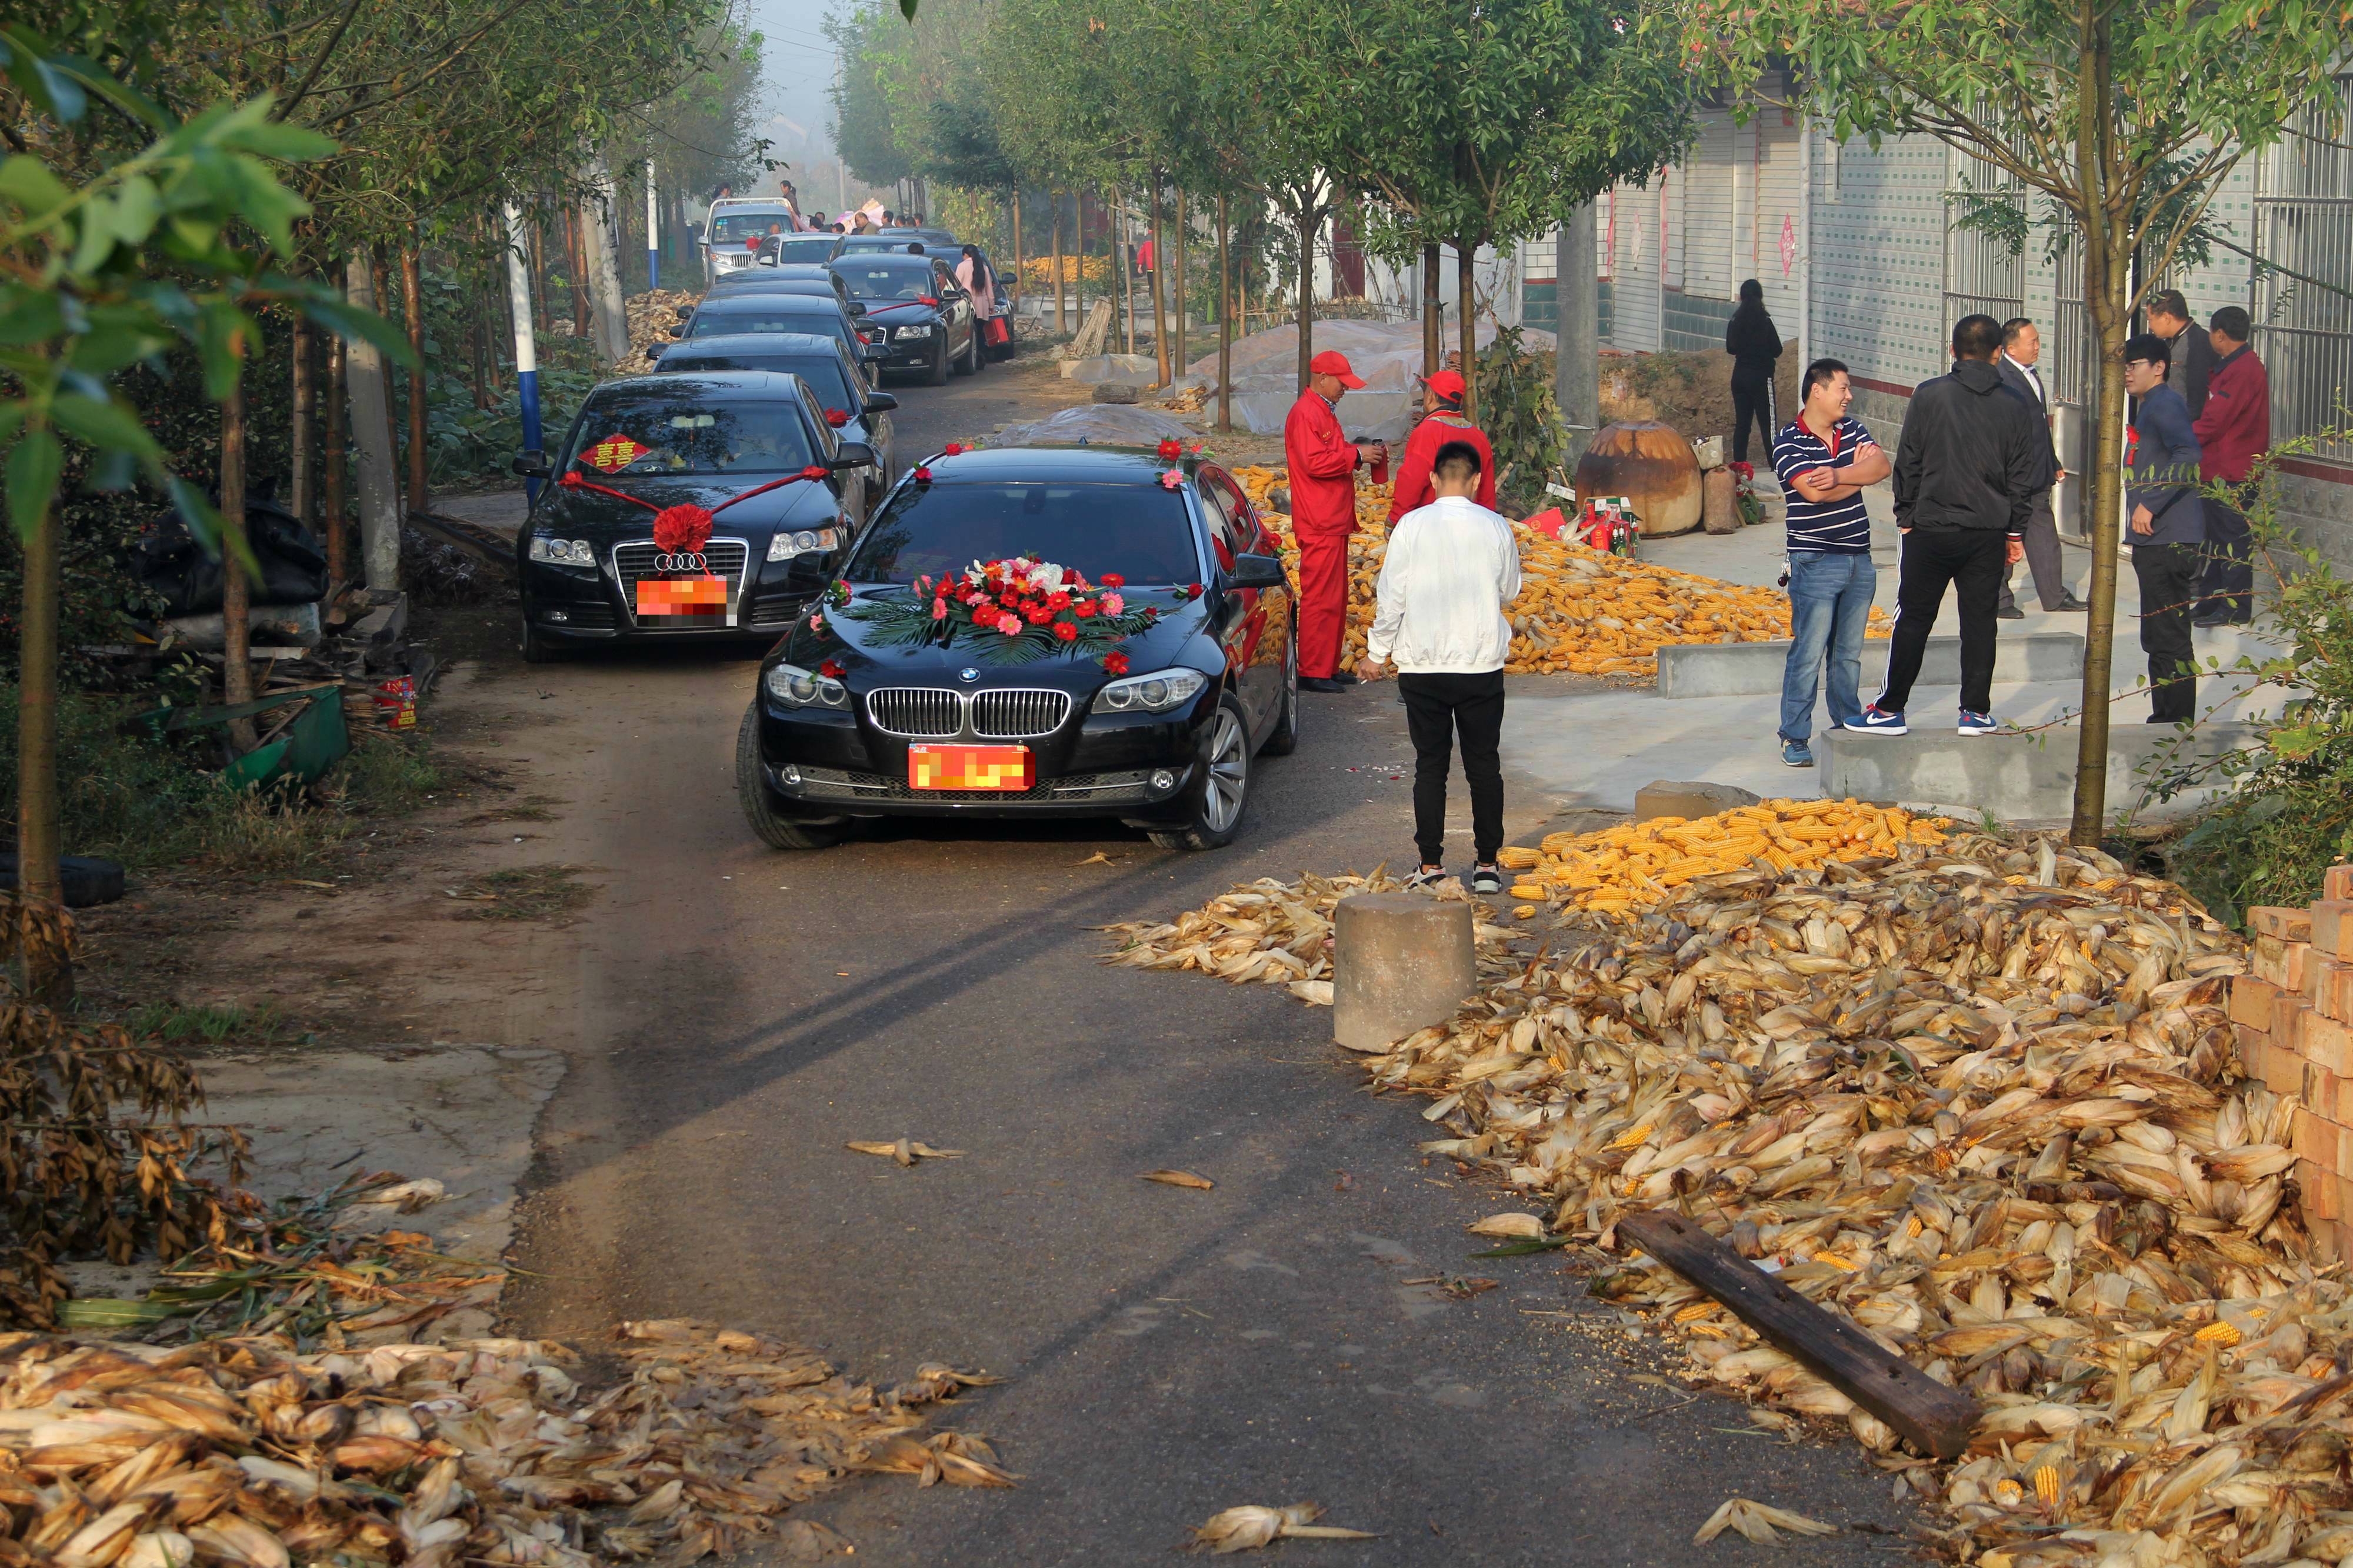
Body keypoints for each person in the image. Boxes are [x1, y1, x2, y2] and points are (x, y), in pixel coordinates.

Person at [1854, 314, 2040, 737]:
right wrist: (2016, 532)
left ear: (1953, 351)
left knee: (1915, 619)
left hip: (1930, 529)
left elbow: (1910, 459)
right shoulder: (2013, 403)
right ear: (1998, 353)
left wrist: (1905, 516)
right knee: (1979, 622)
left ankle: (1891, 710)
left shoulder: (1929, 395)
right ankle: (1974, 711)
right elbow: (2021, 476)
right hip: (1987, 532)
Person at [1357, 441, 1519, 895]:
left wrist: (1376, 653)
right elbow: (1509, 591)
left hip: (1422, 665)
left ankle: (1430, 864)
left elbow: (1391, 597)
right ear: (1476, 482)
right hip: (1479, 663)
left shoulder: (1410, 526)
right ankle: (1488, 865)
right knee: (1483, 764)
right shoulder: (1495, 526)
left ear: (1432, 480)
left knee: (1431, 766)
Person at [1772, 359, 1891, 768]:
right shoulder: (1788, 441)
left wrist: (1838, 475)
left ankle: (1846, 726)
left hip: (1859, 559)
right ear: (1817, 391)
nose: (1849, 396)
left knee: (1848, 655)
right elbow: (1813, 495)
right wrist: (1857, 474)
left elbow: (1882, 467)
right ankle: (1794, 736)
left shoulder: (1852, 429)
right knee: (1808, 652)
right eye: (1842, 387)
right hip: (1815, 560)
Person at [1284, 350, 1388, 693]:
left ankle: (1326, 666)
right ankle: (1313, 670)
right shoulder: (1305, 414)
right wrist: (1356, 454)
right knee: (1320, 597)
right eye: (1342, 383)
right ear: (1322, 379)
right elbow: (1315, 462)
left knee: (1335, 597)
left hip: (1333, 518)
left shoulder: (1322, 411)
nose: (1345, 389)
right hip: (1319, 519)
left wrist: (1356, 454)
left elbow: (1329, 455)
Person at [2122, 334, 2207, 723]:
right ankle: (2166, 717)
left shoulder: (2165, 404)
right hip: (2156, 538)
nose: (2128, 373)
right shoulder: (2150, 407)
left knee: (2168, 635)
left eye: (2134, 364)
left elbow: (2189, 453)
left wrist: (2150, 503)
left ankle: (2173, 723)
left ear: (2159, 367)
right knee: (2159, 634)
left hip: (2168, 538)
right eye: (2124, 365)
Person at [1992, 318, 2089, 617]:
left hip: (2036, 472)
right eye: (2031, 341)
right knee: (2004, 536)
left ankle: (2054, 596)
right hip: (2011, 475)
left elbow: (2038, 426)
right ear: (2011, 347)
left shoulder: (2030, 375)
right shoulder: (2001, 378)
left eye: (2037, 339)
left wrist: (2053, 461)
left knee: (2044, 531)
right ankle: (1999, 600)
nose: (2037, 346)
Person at [2192, 305, 2268, 626]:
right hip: (2221, 467)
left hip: (2232, 470)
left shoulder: (2243, 370)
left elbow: (2215, 421)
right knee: (2216, 538)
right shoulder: (2234, 366)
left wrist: (2180, 438)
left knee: (2233, 541)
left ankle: (2236, 606)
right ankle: (2213, 598)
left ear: (2219, 334)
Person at [1387, 371, 1495, 521]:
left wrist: (1395, 517)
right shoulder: (1479, 436)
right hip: (1469, 525)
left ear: (1430, 396)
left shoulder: (1427, 431)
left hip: (1431, 524)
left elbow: (1412, 480)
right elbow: (1487, 491)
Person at [1724, 279, 1782, 467]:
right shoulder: (1765, 319)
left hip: (1739, 377)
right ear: (1760, 296)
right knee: (1768, 425)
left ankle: (1739, 467)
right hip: (1761, 378)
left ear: (1741, 297)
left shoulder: (1735, 319)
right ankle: (1777, 466)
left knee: (1743, 424)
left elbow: (1730, 348)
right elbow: (1777, 350)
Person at [2145, 289, 2216, 419]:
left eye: (2150, 320)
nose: (2150, 326)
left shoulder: (2198, 343)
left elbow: (2199, 398)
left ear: (2166, 318)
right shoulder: (2167, 342)